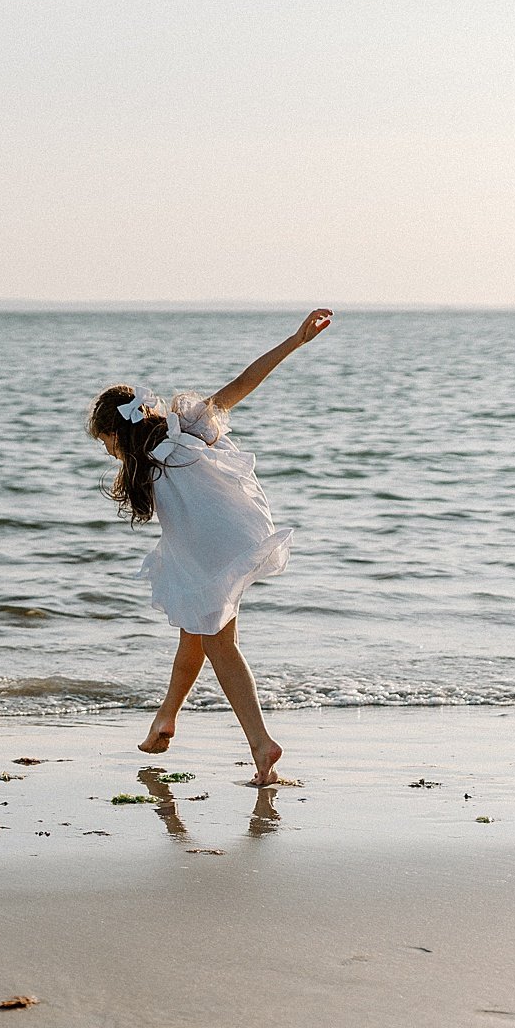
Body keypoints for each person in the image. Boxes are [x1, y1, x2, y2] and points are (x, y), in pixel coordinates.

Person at [87, 310, 332, 785]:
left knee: (219, 642)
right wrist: (294, 341)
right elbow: (244, 382)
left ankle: (261, 744)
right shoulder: (188, 425)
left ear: (117, 435)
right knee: (193, 631)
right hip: (230, 537)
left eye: (105, 443)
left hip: (206, 552)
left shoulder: (145, 465)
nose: (107, 452)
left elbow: (242, 383)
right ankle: (165, 720)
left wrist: (295, 340)